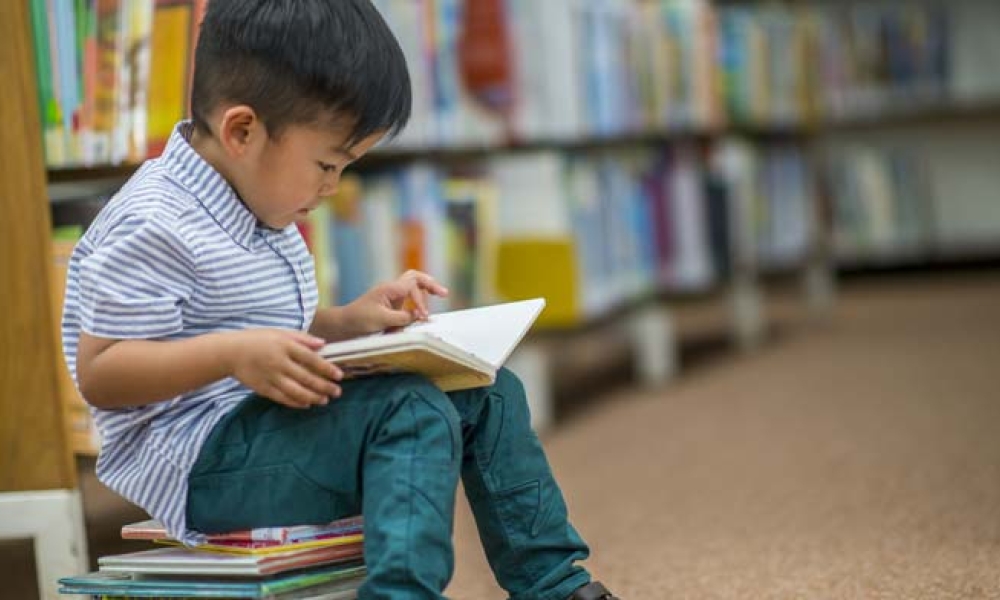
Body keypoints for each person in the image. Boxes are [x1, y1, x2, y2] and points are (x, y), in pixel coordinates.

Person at [61, 1, 620, 599]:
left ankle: (554, 585)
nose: (333, 187)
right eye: (327, 164)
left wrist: (348, 322)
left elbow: (266, 330)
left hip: (268, 422)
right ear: (242, 131)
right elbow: (103, 371)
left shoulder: (255, 202)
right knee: (408, 411)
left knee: (487, 390)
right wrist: (231, 354)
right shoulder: (155, 225)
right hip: (200, 464)